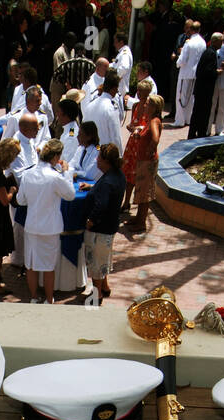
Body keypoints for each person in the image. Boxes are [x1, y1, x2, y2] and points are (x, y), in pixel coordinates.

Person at [16, 139, 76, 304]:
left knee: (31, 264)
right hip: (50, 228)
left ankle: (34, 297)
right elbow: (70, 195)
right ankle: (49, 300)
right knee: (48, 267)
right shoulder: (56, 177)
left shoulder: (28, 174)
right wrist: (67, 173)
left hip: (32, 226)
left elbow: (20, 200)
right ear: (56, 157)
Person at [83, 143, 124, 300]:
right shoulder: (117, 175)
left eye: (99, 157)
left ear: (105, 160)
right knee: (103, 259)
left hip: (100, 229)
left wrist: (90, 221)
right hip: (110, 227)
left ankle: (96, 295)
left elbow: (101, 205)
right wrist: (92, 187)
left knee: (95, 264)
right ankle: (105, 287)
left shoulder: (107, 182)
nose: (96, 159)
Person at [128, 95, 164, 230]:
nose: (145, 106)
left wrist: (150, 150)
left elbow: (155, 139)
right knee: (141, 191)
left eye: (148, 104)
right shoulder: (150, 121)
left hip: (147, 162)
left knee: (145, 193)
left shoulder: (154, 121)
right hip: (144, 160)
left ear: (154, 107)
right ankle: (138, 218)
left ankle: (141, 223)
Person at [173, 20, 205, 127]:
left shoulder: (189, 43)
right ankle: (188, 119)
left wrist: (177, 63)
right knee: (191, 98)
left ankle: (180, 121)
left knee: (181, 97)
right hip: (195, 74)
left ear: (191, 30)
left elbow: (182, 60)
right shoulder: (203, 42)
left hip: (185, 72)